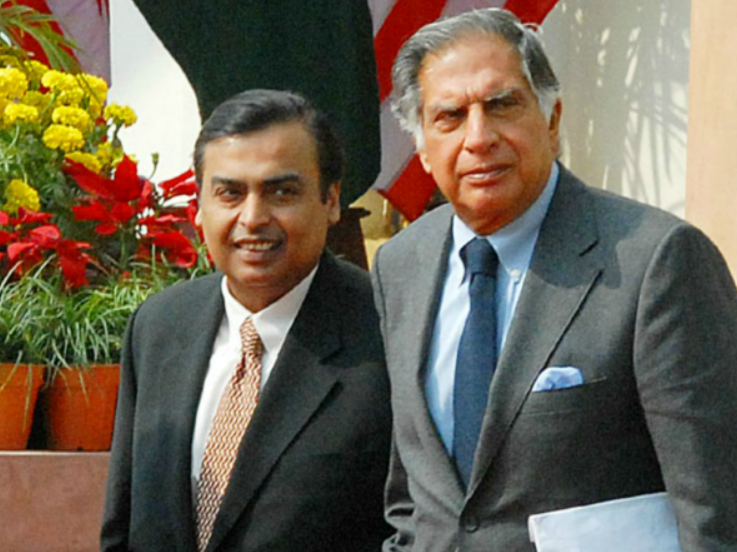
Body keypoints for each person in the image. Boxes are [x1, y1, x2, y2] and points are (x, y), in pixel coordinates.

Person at [371, 8, 737, 551]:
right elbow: (414, 495)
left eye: (502, 105)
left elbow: (715, 509)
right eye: (450, 116)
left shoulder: (655, 261)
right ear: (422, 148)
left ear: (551, 119)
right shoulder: (401, 265)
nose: (479, 137)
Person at [101, 89, 392, 551]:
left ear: (331, 201)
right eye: (230, 193)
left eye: (282, 192)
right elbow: (125, 521)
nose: (253, 218)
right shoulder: (159, 326)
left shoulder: (388, 332)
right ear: (199, 207)